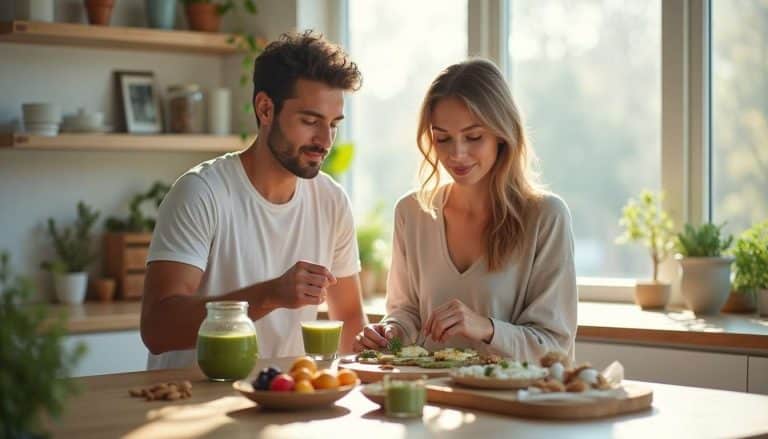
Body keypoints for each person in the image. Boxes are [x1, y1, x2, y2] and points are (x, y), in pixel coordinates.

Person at [141, 30, 368, 369]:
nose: (325, 140)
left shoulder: (331, 201)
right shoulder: (201, 193)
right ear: (265, 109)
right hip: (191, 401)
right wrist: (269, 295)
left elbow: (349, 316)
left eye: (334, 124)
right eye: (310, 121)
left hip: (284, 399)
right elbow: (158, 328)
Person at [353, 59, 577, 361]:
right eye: (442, 138)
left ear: (502, 134)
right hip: (430, 400)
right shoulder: (412, 213)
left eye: (474, 137)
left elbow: (554, 346)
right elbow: (405, 317)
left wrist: (485, 328)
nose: (457, 154)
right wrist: (388, 334)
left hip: (511, 402)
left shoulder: (546, 216)